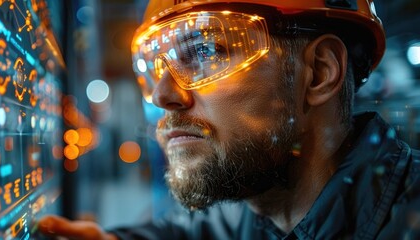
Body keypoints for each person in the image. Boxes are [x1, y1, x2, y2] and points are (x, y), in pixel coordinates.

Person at [38, 0, 420, 239]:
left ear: (318, 72)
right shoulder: (258, 212)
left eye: (205, 50)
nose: (162, 95)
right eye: (156, 66)